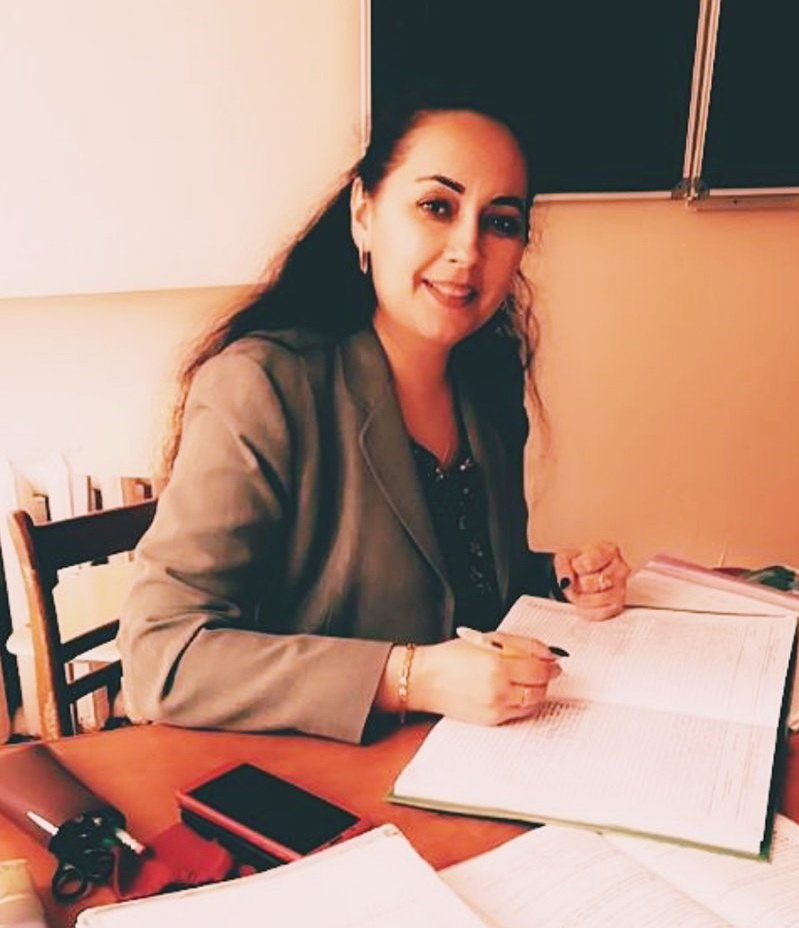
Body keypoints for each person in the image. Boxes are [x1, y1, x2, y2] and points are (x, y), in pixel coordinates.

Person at [118, 97, 630, 743]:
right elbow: (159, 655)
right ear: (364, 215)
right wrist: (409, 677)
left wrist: (560, 576)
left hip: (478, 754)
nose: (467, 250)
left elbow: (461, 585)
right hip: (322, 773)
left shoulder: (488, 381)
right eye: (436, 207)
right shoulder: (263, 386)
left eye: (500, 222)